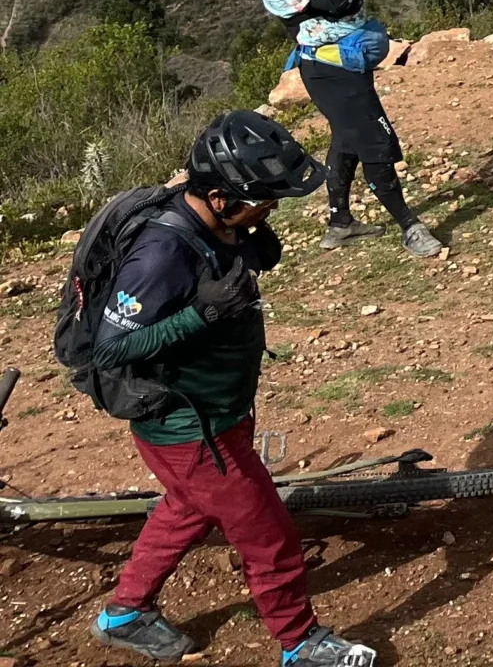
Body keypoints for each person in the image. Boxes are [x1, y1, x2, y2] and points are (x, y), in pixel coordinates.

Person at [90, 112, 378, 666]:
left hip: (217, 415)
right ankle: (301, 643)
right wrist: (199, 316)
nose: (270, 212)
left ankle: (124, 614)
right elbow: (110, 348)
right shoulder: (161, 256)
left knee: (186, 510)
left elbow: (254, 256)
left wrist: (250, 232)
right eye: (262, 202)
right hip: (188, 429)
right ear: (220, 197)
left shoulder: (216, 221)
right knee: (269, 538)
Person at [248, 0, 441, 259]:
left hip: (346, 60)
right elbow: (334, 1)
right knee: (376, 143)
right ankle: (410, 227)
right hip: (327, 70)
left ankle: (340, 224)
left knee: (348, 138)